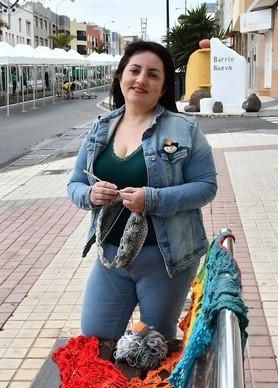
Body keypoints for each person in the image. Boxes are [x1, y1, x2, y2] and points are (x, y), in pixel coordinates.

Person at [67, 41, 217, 341]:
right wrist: (91, 195)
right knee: (95, 337)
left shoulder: (184, 129)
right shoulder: (100, 128)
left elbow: (206, 187)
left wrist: (154, 199)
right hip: (112, 257)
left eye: (153, 74)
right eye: (134, 70)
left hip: (166, 260)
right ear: (121, 76)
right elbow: (75, 185)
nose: (141, 80)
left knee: (154, 344)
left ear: (163, 87)